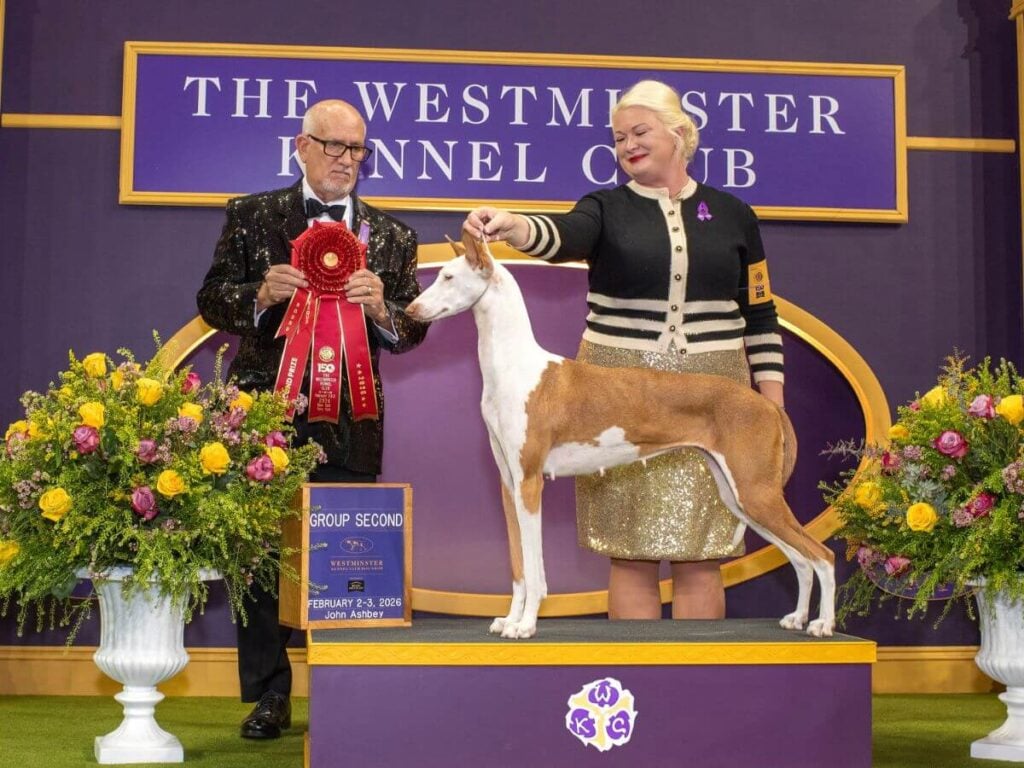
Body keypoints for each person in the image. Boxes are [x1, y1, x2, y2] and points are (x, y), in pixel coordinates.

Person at [463, 79, 785, 623]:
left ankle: (699, 689)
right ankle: (637, 684)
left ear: (679, 133)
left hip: (712, 392)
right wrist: (513, 225)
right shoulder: (603, 208)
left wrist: (770, 398)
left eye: (640, 132)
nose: (628, 145)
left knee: (702, 555)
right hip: (612, 390)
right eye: (618, 139)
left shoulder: (734, 214)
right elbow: (562, 234)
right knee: (630, 550)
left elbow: (759, 310)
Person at [197, 99, 429, 739]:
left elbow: (411, 333)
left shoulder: (393, 236)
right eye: (334, 146)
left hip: (351, 415)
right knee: (261, 557)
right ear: (301, 146)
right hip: (259, 414)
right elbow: (213, 298)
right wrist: (261, 295)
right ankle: (270, 696)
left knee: (347, 555)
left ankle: (347, 687)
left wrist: (384, 309)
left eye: (357, 150)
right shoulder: (251, 216)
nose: (346, 161)